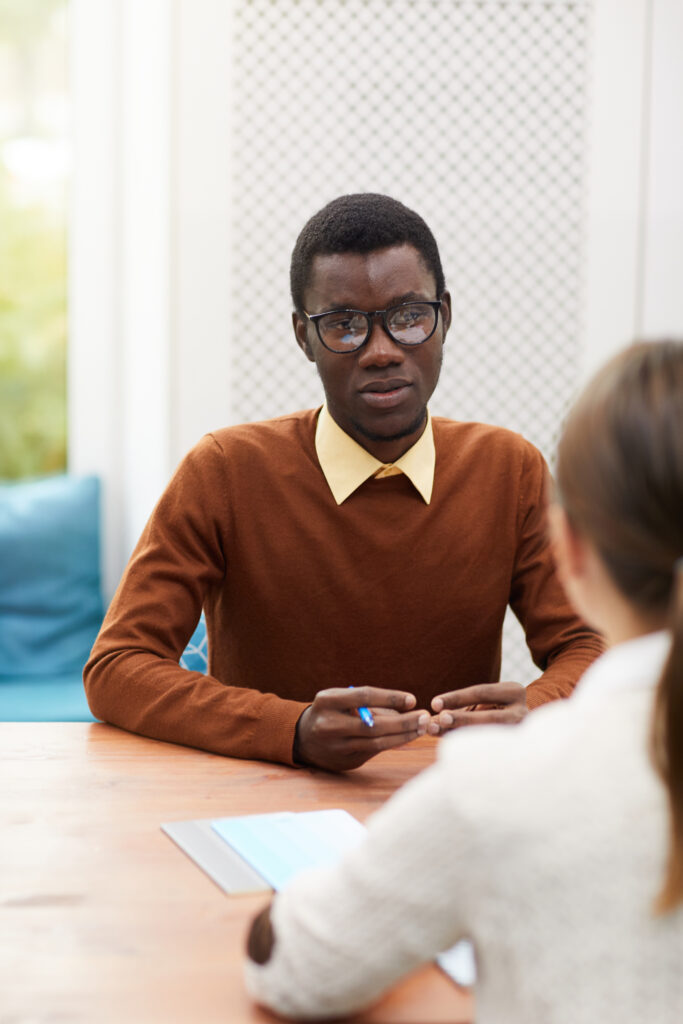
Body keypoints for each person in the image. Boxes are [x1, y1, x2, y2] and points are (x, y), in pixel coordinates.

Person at [244, 339, 683, 1022]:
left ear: (566, 546)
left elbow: (295, 969)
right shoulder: (229, 466)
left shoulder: (496, 790)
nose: (381, 351)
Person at [84, 193, 601, 771]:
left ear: (444, 318)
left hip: (449, 802)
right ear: (303, 336)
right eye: (345, 325)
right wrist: (292, 728)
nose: (381, 352)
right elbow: (117, 666)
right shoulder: (224, 471)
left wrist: (536, 710)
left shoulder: (510, 470)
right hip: (266, 803)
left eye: (408, 317)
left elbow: (593, 646)